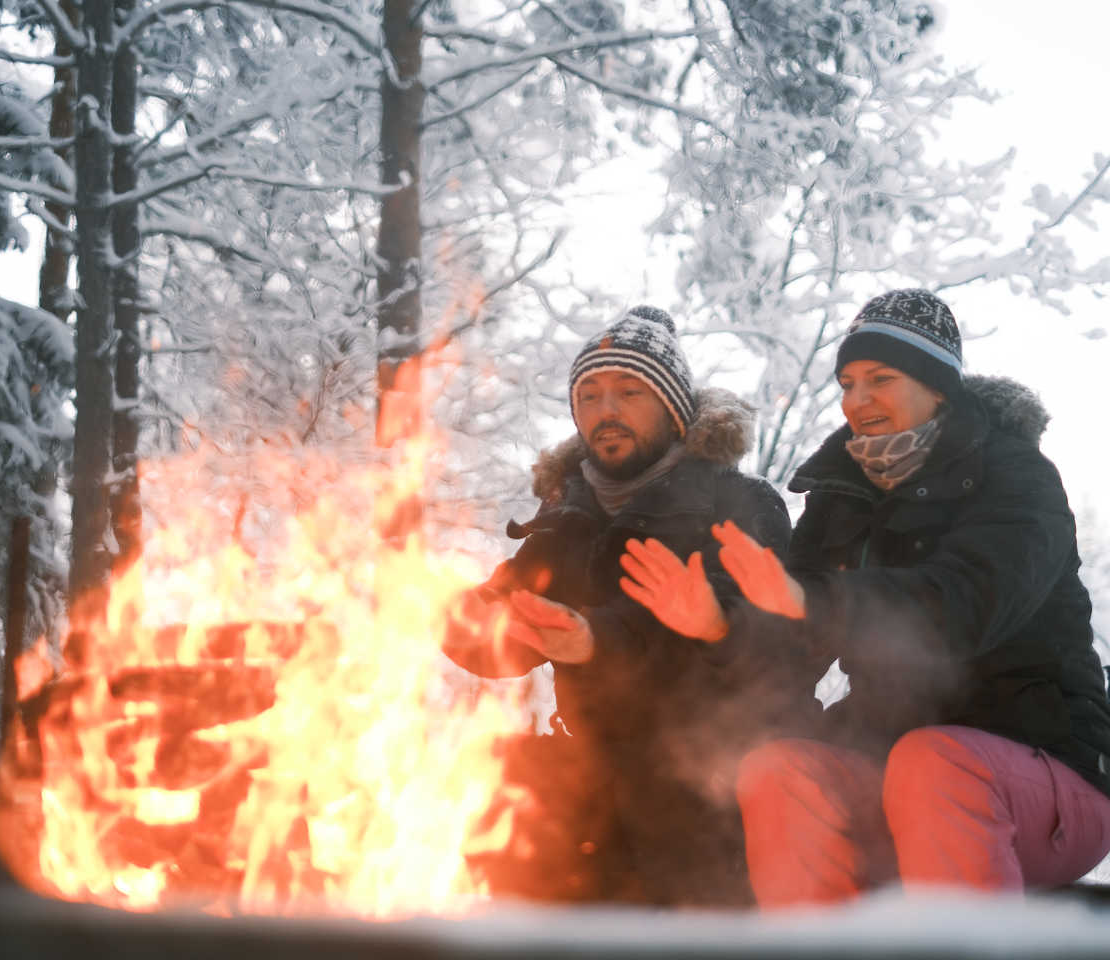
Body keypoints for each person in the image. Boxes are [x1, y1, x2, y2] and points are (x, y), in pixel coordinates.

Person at [621, 288, 1110, 906]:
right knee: (781, 771)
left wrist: (813, 601)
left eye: (880, 379)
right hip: (895, 764)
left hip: (1051, 770)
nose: (857, 400)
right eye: (847, 383)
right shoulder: (842, 495)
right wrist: (719, 625)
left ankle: (966, 947)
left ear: (939, 388)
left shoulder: (1016, 477)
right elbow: (792, 644)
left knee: (933, 763)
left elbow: (964, 605)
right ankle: (818, 944)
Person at [442, 304, 816, 907]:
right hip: (588, 769)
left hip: (711, 773)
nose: (606, 410)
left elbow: (750, 633)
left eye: (629, 392)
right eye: (589, 396)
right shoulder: (565, 515)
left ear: (674, 408)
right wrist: (450, 614)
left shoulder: (738, 502)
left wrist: (595, 638)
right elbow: (510, 627)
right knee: (509, 793)